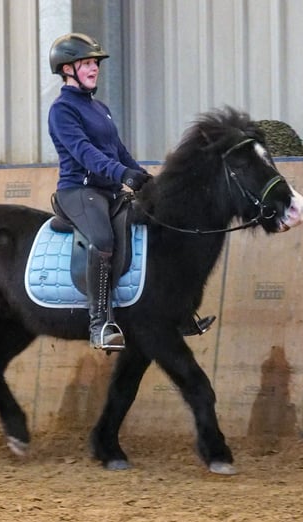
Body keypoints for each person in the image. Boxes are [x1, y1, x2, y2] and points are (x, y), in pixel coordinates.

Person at [47, 32, 215, 351]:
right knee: (103, 239)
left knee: (157, 223)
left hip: (109, 190)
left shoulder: (100, 108)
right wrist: (122, 174)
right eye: (86, 63)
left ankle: (175, 312)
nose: (94, 68)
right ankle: (99, 323)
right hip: (80, 192)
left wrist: (141, 175)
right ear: (67, 69)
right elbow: (86, 153)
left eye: (95, 63)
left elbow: (116, 149)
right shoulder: (62, 110)